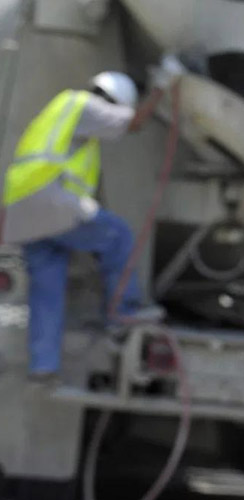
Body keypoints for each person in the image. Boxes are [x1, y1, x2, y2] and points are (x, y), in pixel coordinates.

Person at [1, 57, 184, 381]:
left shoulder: (61, 113)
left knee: (47, 285)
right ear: (112, 101)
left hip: (22, 210)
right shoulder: (84, 104)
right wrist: (161, 87)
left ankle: (43, 365)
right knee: (117, 235)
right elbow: (135, 123)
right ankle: (122, 313)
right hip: (50, 201)